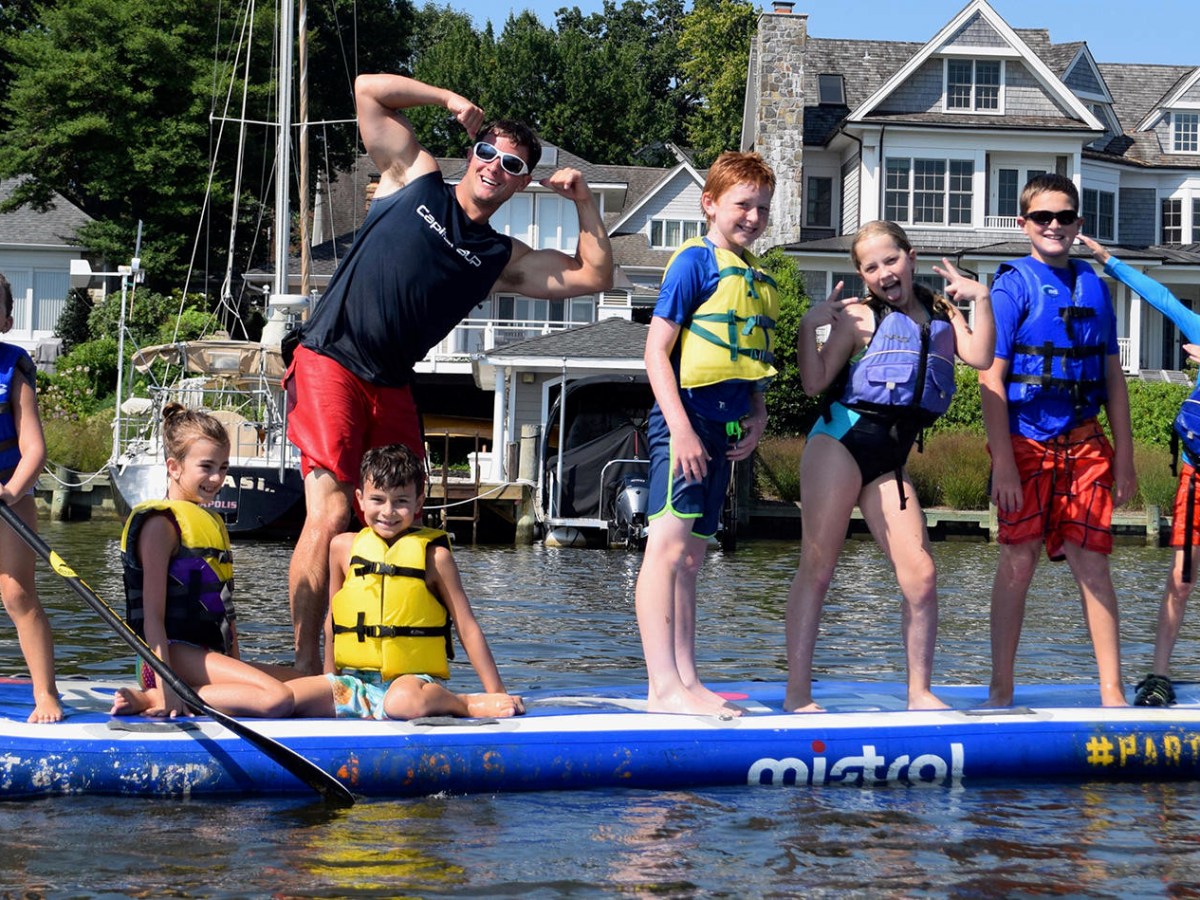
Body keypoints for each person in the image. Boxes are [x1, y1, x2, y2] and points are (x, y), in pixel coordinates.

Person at [285, 74, 613, 674]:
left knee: (395, 520)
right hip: (330, 357)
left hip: (392, 382)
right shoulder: (415, 177)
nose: (494, 166)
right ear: (472, 153)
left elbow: (595, 278)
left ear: (520, 180)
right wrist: (449, 100)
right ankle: (310, 670)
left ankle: (371, 663)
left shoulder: (499, 259)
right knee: (331, 514)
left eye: (510, 163)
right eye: (487, 152)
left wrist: (585, 202)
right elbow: (365, 90)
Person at [784, 221, 995, 713]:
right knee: (818, 566)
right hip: (841, 439)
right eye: (871, 267)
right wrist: (807, 328)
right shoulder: (858, 317)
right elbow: (815, 382)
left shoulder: (944, 313)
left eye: (891, 260)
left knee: (920, 575)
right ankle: (797, 695)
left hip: (891, 458)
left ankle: (919, 693)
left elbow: (982, 356)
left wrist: (980, 298)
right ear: (861, 275)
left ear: (911, 257)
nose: (884, 272)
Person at [981, 174, 1136, 709]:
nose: (1054, 226)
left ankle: (1112, 691)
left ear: (1078, 224)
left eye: (1064, 217)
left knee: (1092, 559)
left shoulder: (1094, 284)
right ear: (1023, 223)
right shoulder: (1012, 285)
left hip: (1086, 440)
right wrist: (1002, 462)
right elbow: (990, 378)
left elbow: (1113, 377)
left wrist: (1127, 460)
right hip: (1024, 441)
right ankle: (1001, 689)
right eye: (1042, 217)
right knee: (1018, 558)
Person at [633, 151, 777, 717]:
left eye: (762, 207)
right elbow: (655, 353)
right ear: (711, 203)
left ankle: (687, 682)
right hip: (685, 422)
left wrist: (759, 416)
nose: (752, 216)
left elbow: (751, 369)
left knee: (692, 559)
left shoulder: (755, 277)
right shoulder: (694, 263)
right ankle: (661, 687)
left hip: (725, 429)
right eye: (743, 204)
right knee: (664, 553)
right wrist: (681, 430)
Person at [289, 444, 523, 720]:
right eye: (377, 499)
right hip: (359, 684)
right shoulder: (341, 548)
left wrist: (496, 692)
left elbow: (466, 626)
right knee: (289, 698)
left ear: (418, 503)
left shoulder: (436, 558)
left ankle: (464, 703)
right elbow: (334, 623)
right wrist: (330, 681)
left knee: (400, 703)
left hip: (412, 685)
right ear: (360, 499)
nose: (388, 511)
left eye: (400, 501)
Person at [111, 404, 294, 718]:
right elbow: (152, 617)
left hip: (206, 654)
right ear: (174, 467)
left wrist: (236, 661)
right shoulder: (161, 526)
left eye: (223, 467)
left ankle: (186, 694)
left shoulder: (210, 523)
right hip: (168, 657)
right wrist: (167, 687)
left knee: (305, 682)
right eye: (207, 466)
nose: (217, 478)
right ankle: (155, 698)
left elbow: (225, 607)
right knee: (275, 698)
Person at [1079, 233, 1195, 706]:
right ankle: (1159, 674)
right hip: (1197, 474)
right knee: (1181, 577)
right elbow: (1161, 297)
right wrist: (1111, 261)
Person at [0, 274, 60, 723]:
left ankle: (45, 693)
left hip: (9, 494)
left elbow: (34, 449)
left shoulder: (13, 369)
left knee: (18, 594)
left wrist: (9, 492)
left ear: (6, 320)